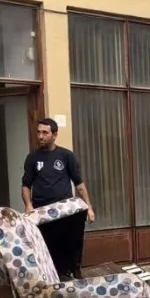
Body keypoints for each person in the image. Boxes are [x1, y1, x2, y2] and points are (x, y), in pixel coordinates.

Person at [21, 118, 96, 280]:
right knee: (47, 245)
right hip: (42, 213)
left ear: (54, 135)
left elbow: (79, 184)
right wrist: (28, 205)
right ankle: (53, 275)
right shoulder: (32, 158)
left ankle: (75, 269)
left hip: (64, 211)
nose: (40, 136)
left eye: (45, 133)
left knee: (72, 241)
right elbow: (26, 185)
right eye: (39, 132)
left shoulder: (66, 155)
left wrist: (89, 207)